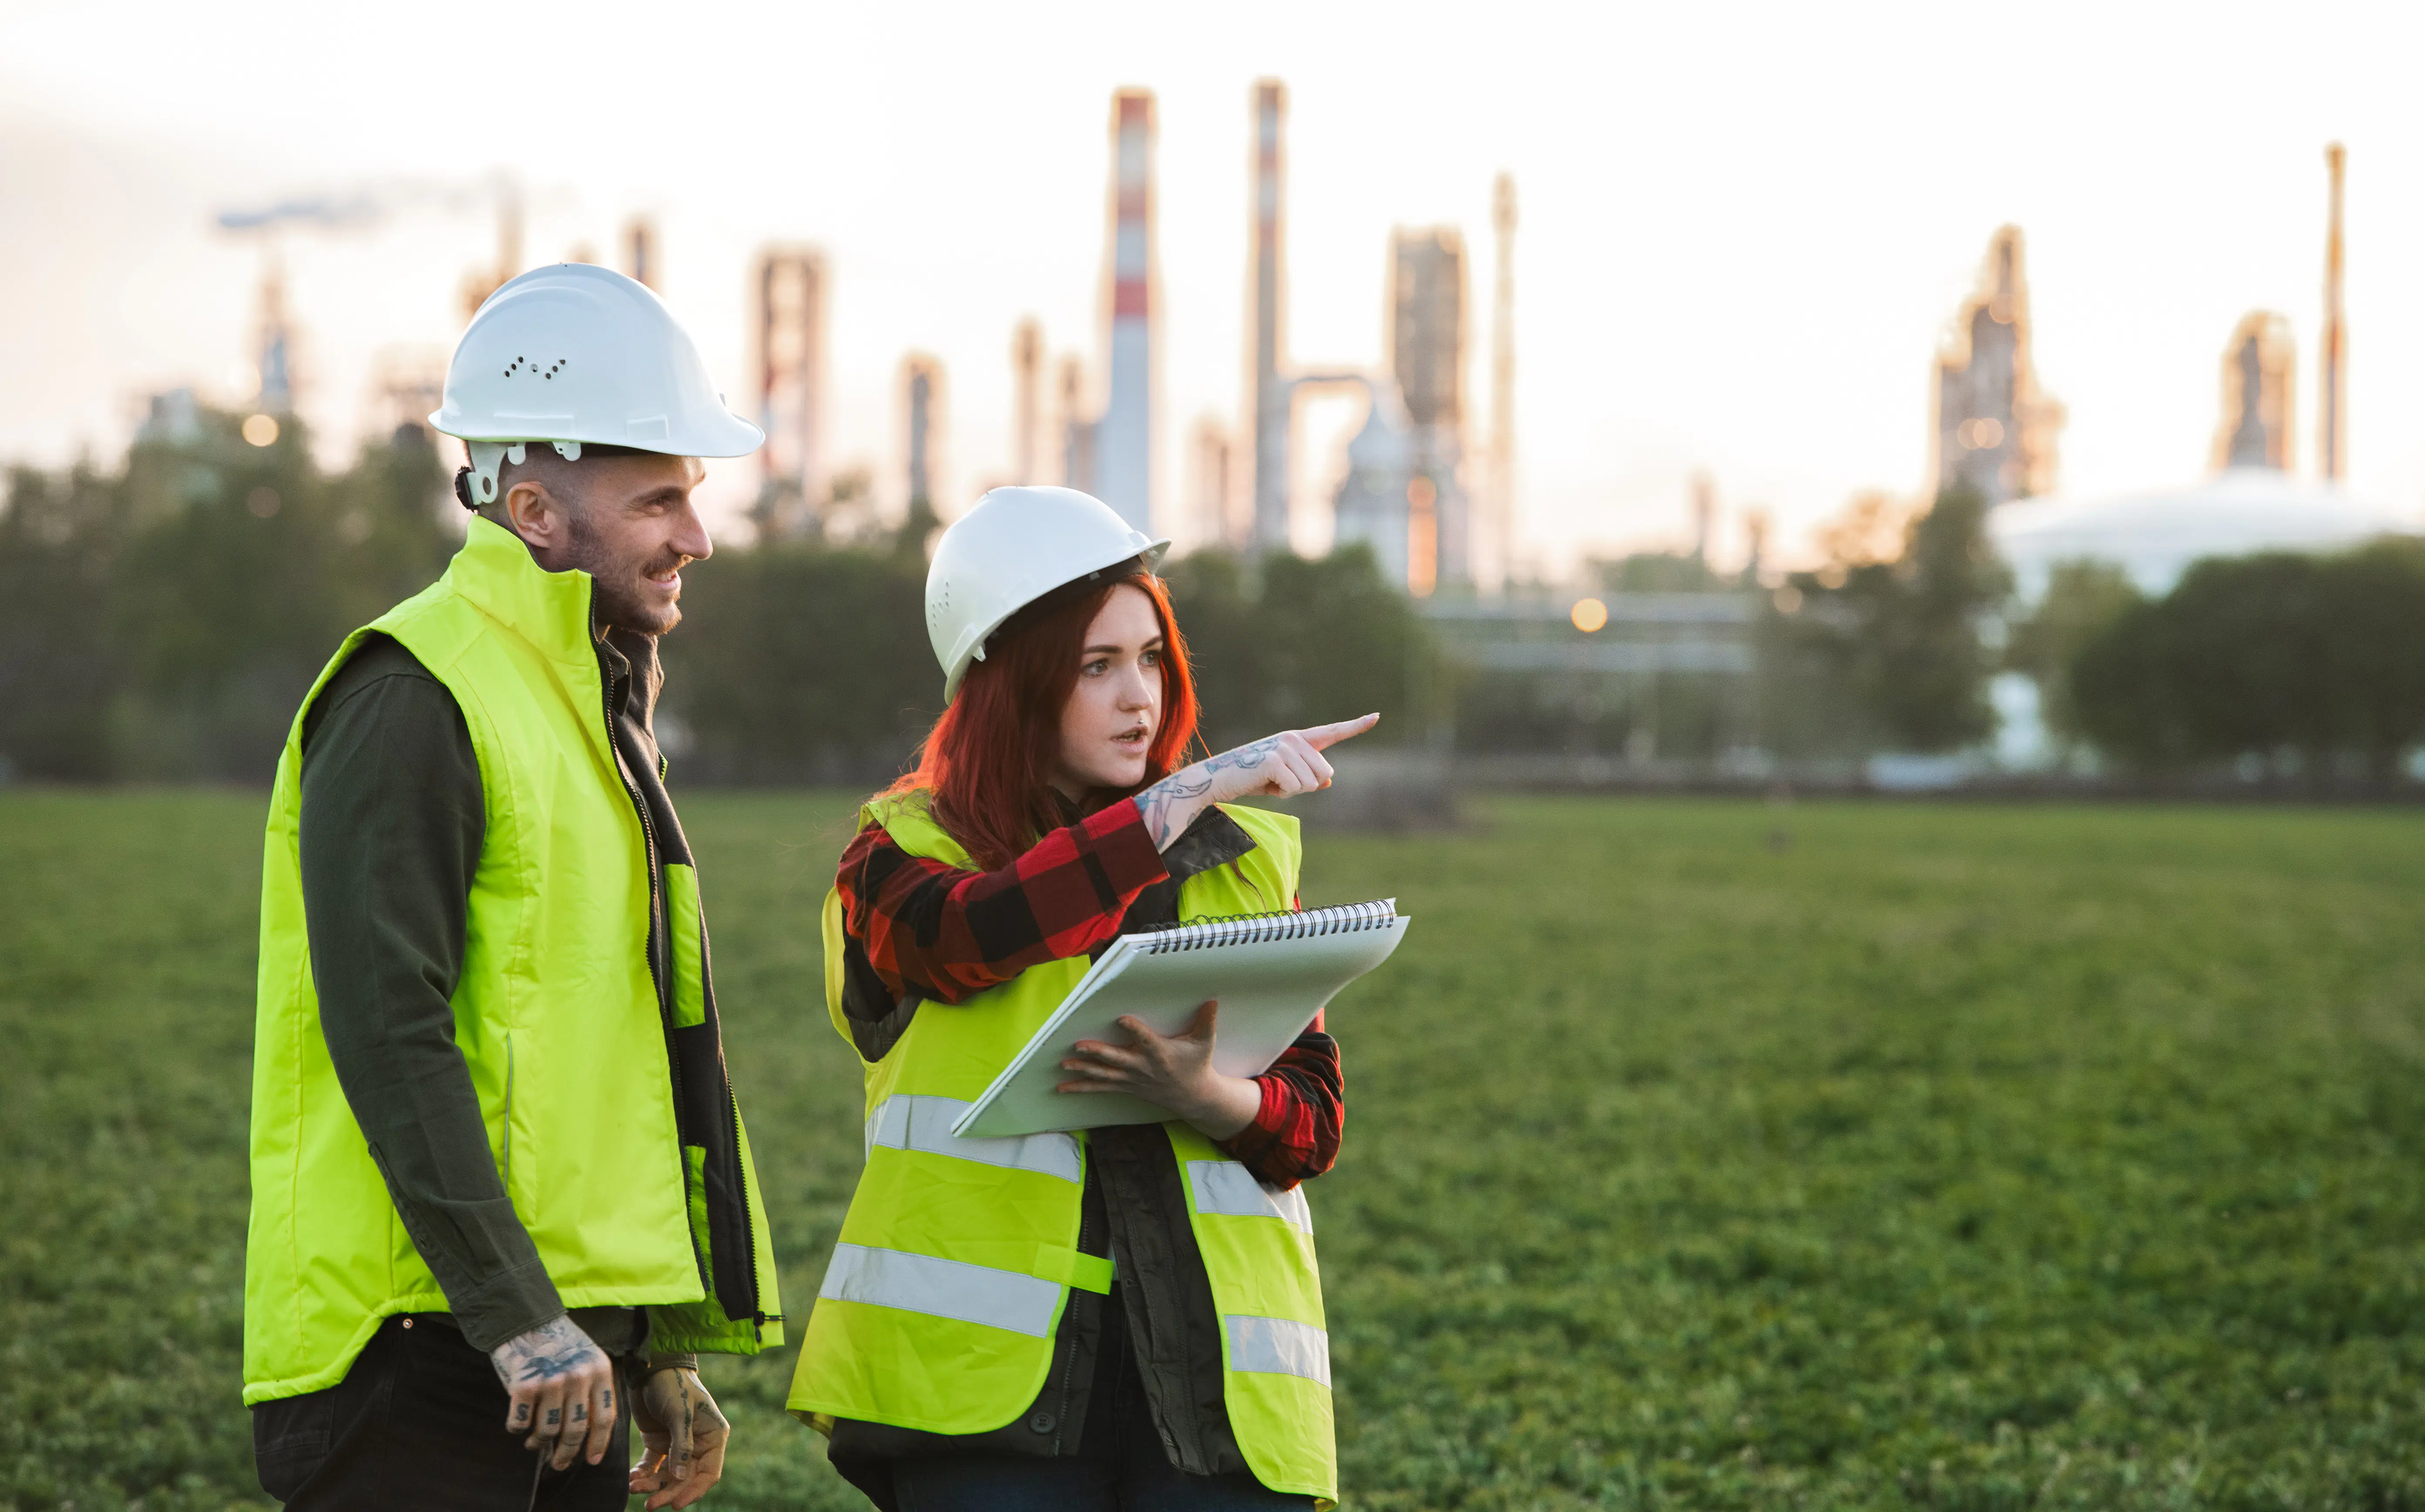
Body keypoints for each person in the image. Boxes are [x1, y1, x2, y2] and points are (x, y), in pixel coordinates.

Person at [243, 263, 783, 1511]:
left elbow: (594, 1058)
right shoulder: (413, 691)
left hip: (556, 1353)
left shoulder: (587, 705)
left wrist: (648, 1346)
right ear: (534, 509)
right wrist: (518, 1315)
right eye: (660, 501)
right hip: (425, 1358)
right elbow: (390, 1030)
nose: (696, 538)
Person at [787, 486, 1375, 1510]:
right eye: (1096, 666)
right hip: (982, 1400)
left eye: (1151, 658)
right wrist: (1173, 803)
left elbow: (1312, 1122)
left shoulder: (1241, 860)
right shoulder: (900, 854)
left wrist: (1209, 1095)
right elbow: (969, 936)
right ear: (1007, 685)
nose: (1139, 697)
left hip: (1212, 1399)